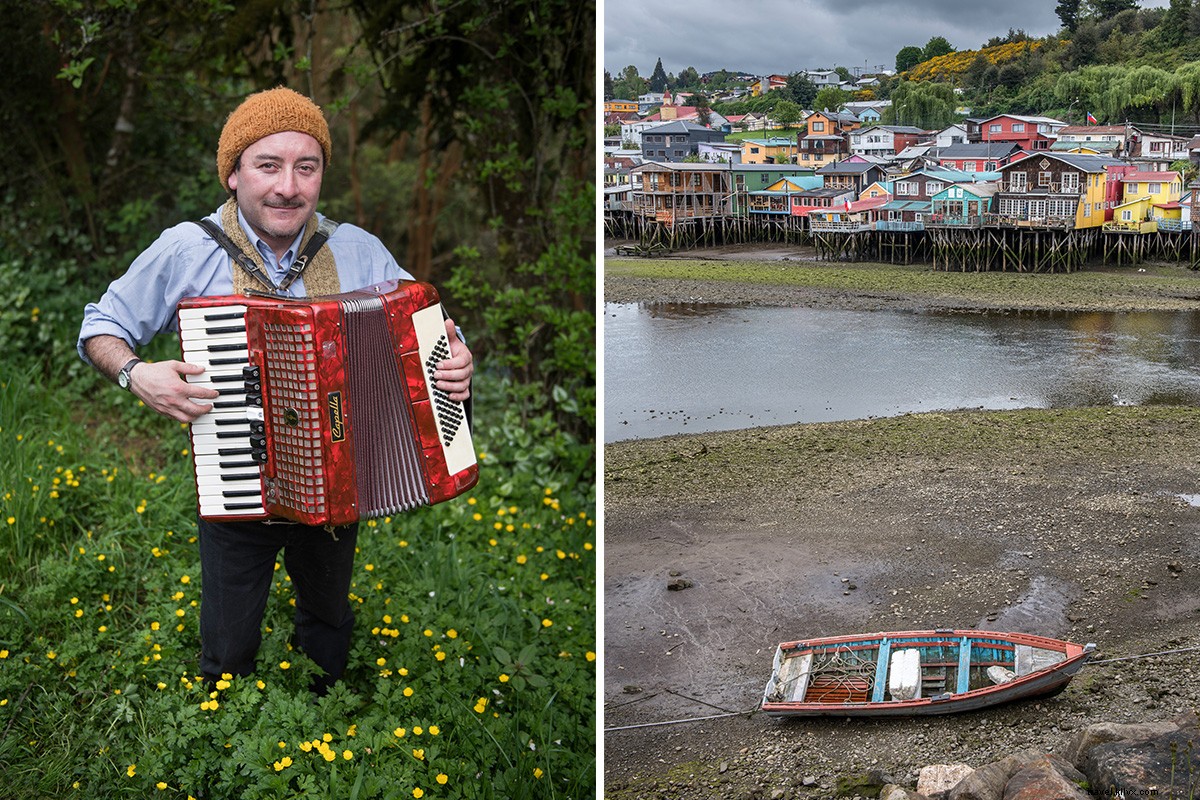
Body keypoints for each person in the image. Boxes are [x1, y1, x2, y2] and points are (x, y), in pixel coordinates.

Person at [77, 86, 474, 693]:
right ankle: (226, 717)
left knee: (328, 616)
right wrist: (138, 375)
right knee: (229, 638)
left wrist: (453, 363)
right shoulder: (188, 249)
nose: (288, 186)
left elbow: (430, 332)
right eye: (268, 165)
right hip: (239, 485)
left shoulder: (358, 249)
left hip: (339, 488)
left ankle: (325, 704)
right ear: (234, 175)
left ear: (320, 176)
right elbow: (100, 327)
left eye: (305, 167)